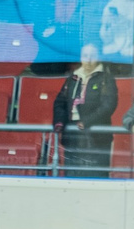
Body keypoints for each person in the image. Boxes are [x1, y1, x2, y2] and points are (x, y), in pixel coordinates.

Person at [51, 48, 119, 177]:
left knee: (95, 178)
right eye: (85, 55)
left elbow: (108, 105)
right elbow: (60, 103)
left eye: (92, 55)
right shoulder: (73, 78)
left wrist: (87, 121)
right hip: (72, 136)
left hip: (96, 138)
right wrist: (59, 121)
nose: (88, 59)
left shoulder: (106, 78)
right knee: (72, 177)